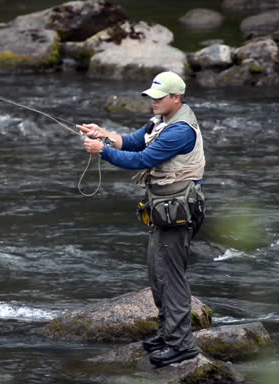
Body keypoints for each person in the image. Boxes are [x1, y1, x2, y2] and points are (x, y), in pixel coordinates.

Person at [77, 70, 205, 368]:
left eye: (159, 98)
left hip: (178, 213)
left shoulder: (180, 130)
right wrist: (104, 134)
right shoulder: (161, 121)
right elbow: (134, 142)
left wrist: (102, 151)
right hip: (163, 209)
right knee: (156, 274)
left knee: (171, 278)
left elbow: (143, 159)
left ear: (177, 97)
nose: (153, 102)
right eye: (151, 97)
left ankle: (182, 345)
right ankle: (167, 333)